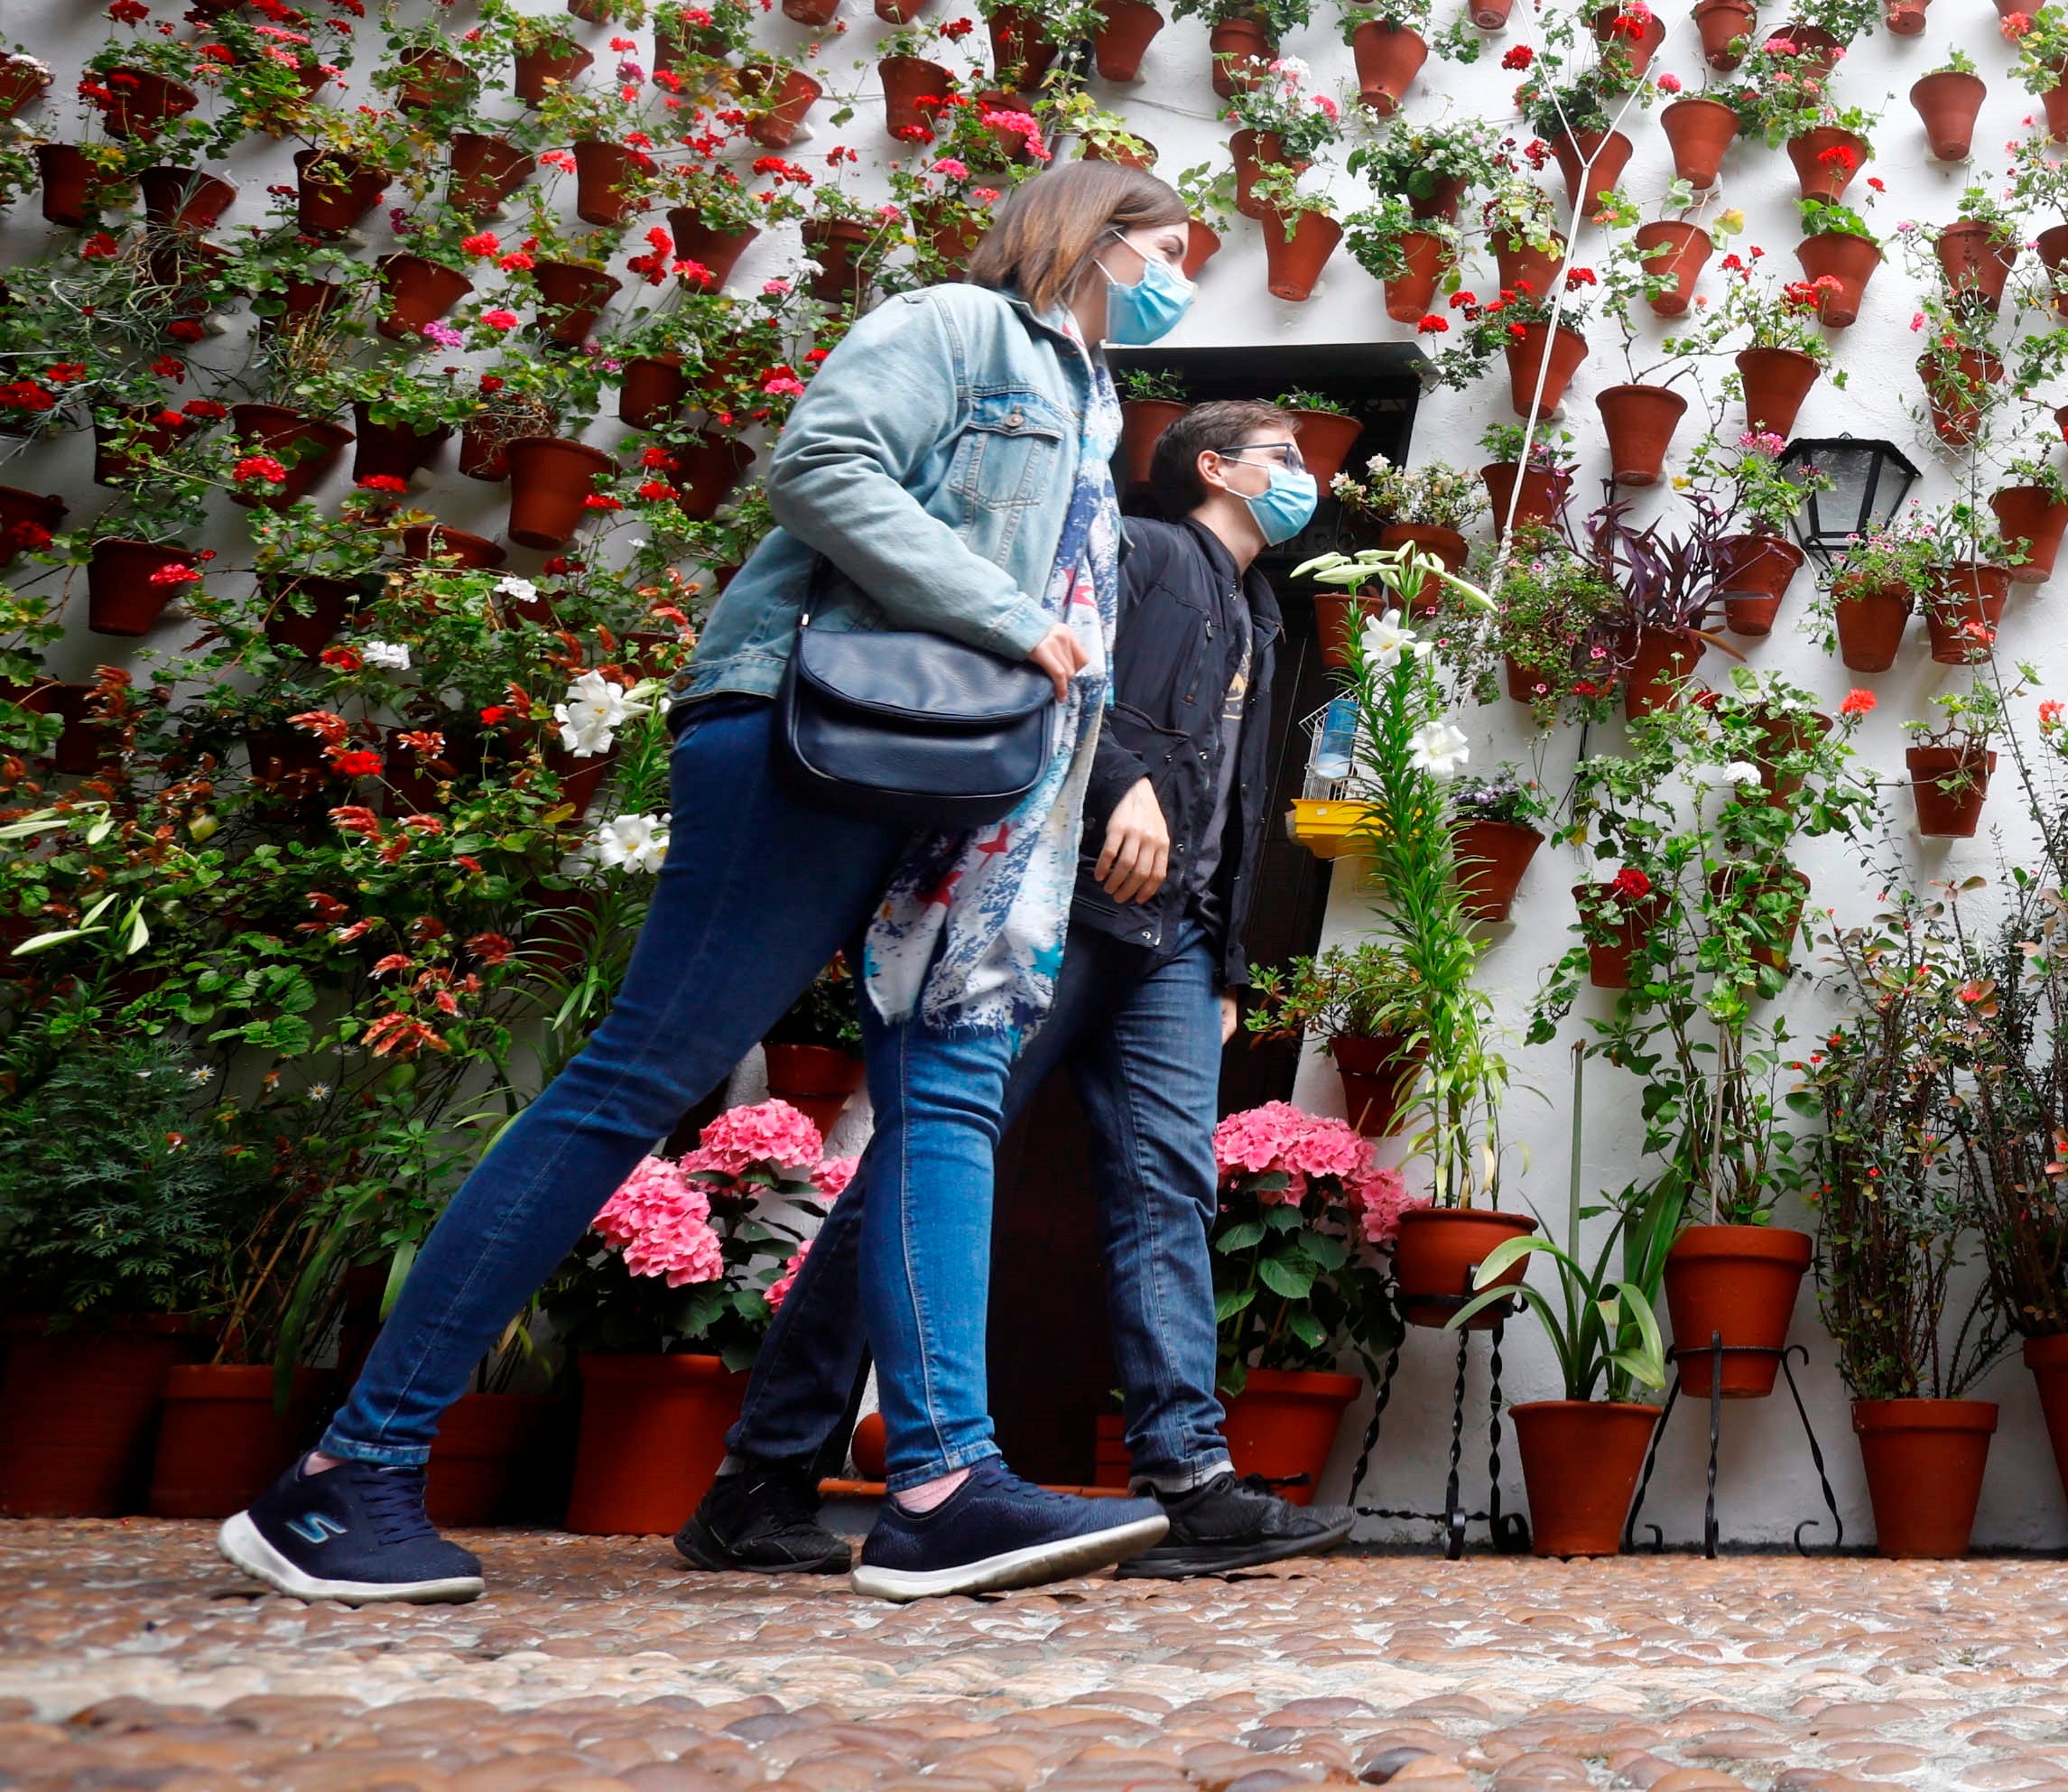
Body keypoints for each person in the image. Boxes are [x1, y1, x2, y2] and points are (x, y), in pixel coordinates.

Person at [223, 163, 1196, 1606]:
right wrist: (1003, 617)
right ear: (1090, 236)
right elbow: (821, 469)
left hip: (972, 788)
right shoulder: (952, 325)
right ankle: (342, 1474)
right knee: (642, 1071)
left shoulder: (1096, 406)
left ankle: (939, 1486)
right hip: (809, 733)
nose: (1176, 284)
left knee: (950, 1098)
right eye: (1166, 252)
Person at [675, 395, 1339, 1581]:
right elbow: (1069, 659)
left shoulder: (1260, 611)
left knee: (1168, 1189)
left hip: (1172, 940)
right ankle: (765, 1476)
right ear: (1217, 465)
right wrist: (1123, 779)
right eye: (1289, 459)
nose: (1308, 480)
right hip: (1067, 901)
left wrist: (1226, 958)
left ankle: (1189, 1484)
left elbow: (1238, 801)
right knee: (923, 1167)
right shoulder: (1144, 550)